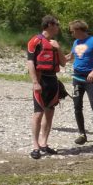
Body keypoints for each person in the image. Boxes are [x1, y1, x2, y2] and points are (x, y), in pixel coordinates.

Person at [27, 15, 68, 159]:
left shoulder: (55, 43)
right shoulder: (35, 41)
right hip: (41, 80)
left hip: (53, 81)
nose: (58, 27)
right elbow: (30, 63)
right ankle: (35, 146)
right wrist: (35, 82)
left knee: (50, 113)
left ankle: (44, 143)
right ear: (50, 25)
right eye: (57, 24)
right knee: (38, 113)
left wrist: (58, 49)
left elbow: (63, 63)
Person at [65, 20, 93, 149]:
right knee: (77, 106)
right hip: (76, 78)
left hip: (89, 79)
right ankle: (82, 134)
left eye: (72, 31)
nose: (72, 33)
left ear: (79, 30)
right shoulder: (76, 42)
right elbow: (71, 57)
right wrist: (58, 56)